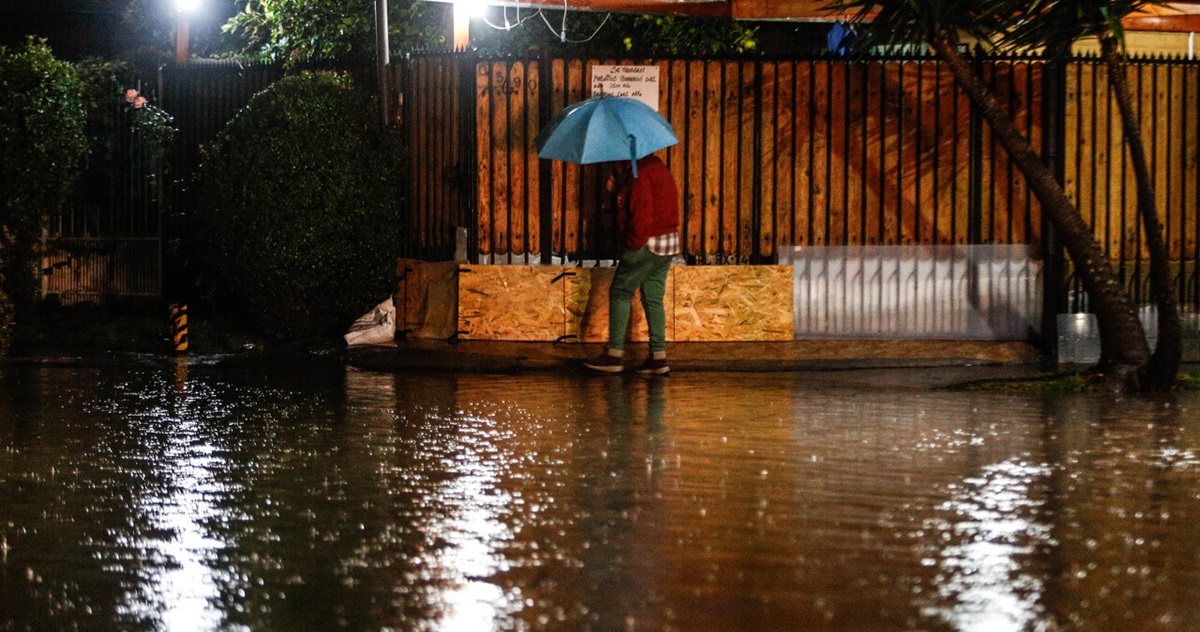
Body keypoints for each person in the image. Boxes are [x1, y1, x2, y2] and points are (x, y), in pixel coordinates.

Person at [584, 153, 680, 375]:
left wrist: (632, 246)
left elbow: (641, 217)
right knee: (653, 297)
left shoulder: (639, 174)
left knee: (620, 292)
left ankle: (614, 355)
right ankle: (658, 358)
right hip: (668, 242)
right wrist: (618, 188)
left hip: (647, 243)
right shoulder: (657, 167)